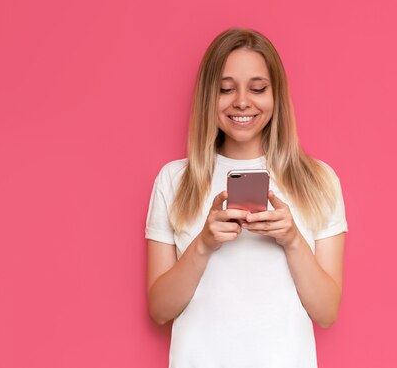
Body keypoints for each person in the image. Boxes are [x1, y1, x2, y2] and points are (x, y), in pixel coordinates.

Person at [145, 27, 347, 368]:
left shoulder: (318, 180)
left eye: (258, 88)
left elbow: (326, 312)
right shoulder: (175, 180)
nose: (241, 101)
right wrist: (203, 244)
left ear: (276, 96)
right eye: (226, 89)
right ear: (209, 95)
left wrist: (293, 240)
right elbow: (160, 310)